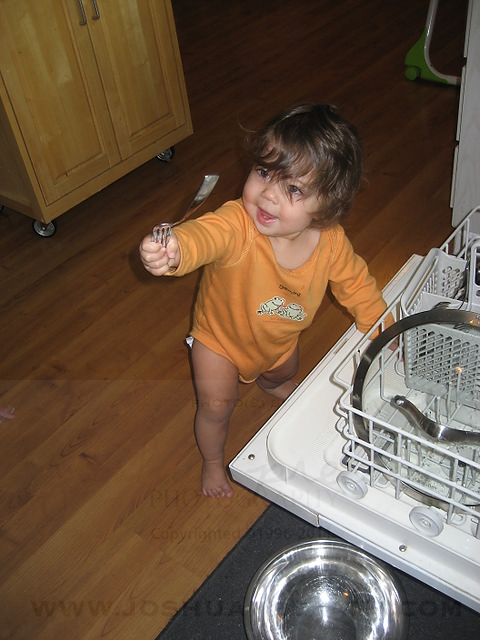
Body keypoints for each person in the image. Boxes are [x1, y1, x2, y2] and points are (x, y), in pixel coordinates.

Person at [139, 103, 388, 499]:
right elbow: (205, 234)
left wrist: (383, 331)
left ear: (328, 205)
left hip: (278, 341)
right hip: (219, 340)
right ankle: (213, 461)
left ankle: (272, 384)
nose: (268, 194)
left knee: (283, 371)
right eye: (264, 172)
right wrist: (174, 250)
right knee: (217, 404)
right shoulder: (238, 223)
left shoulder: (331, 243)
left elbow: (358, 285)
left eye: (293, 189)